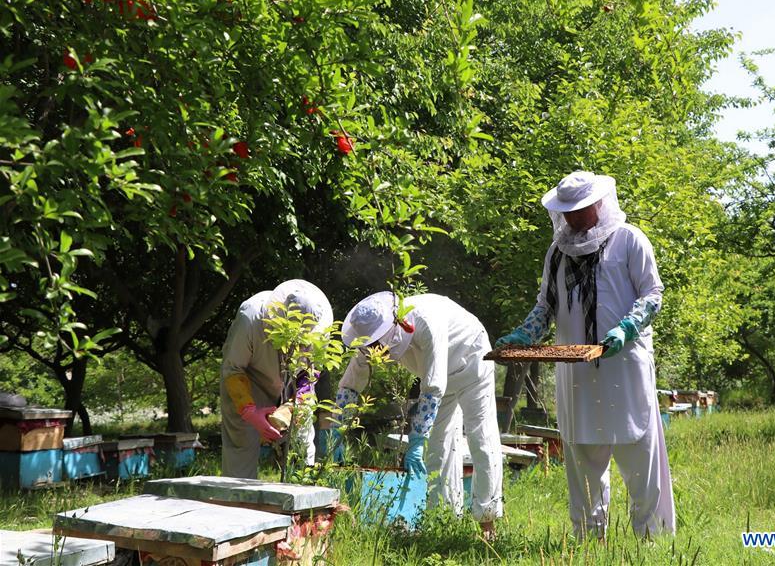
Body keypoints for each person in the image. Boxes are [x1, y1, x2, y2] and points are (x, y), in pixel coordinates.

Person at [496, 171, 675, 539]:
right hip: (575, 374)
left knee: (639, 456)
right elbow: (546, 305)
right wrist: (523, 335)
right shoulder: (557, 252)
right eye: (567, 211)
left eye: (579, 209)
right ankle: (590, 544)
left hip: (624, 368)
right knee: (583, 461)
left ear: (599, 203)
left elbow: (652, 295)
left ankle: (652, 541)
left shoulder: (629, 240)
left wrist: (626, 328)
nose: (573, 217)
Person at [334, 292, 503, 538]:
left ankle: (487, 524)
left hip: (471, 362)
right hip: (435, 381)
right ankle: (443, 521)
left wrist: (415, 439)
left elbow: (433, 388)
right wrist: (338, 428)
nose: (373, 352)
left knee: (481, 439)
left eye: (375, 345)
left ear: (390, 329)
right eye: (368, 346)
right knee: (438, 448)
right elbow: (350, 383)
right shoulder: (375, 336)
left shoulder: (425, 321)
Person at [220, 279, 333, 478]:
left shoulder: (319, 330)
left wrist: (293, 406)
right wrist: (249, 412)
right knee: (241, 447)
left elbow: (310, 376)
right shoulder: (251, 317)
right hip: (249, 382)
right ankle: (239, 503)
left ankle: (302, 501)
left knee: (302, 446)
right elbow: (233, 369)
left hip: (293, 386)